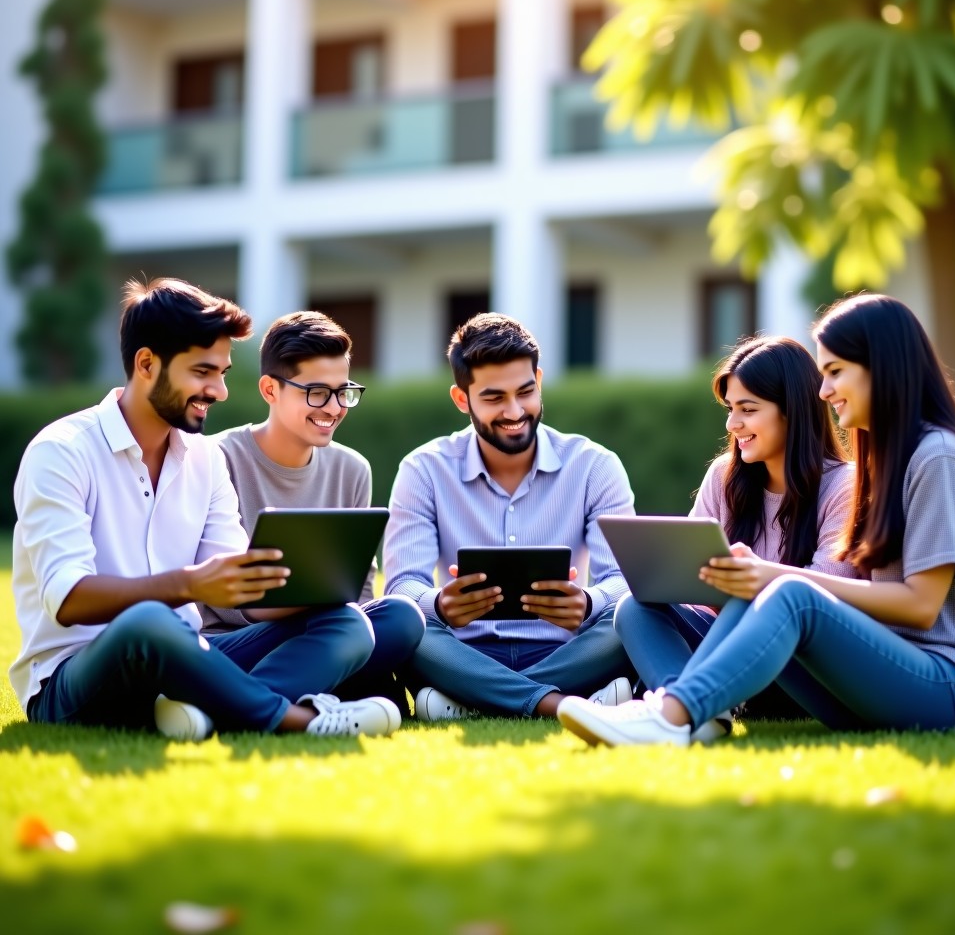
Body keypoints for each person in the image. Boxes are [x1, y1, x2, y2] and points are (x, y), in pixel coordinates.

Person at [558, 293, 955, 746]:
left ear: (883, 368)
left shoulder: (938, 458)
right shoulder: (890, 461)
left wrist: (774, 575)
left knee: (786, 591)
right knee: (720, 593)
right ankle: (685, 710)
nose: (824, 391)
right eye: (822, 374)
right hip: (882, 680)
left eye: (836, 372)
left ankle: (670, 715)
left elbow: (921, 604)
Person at [10, 278, 401, 741]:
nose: (219, 391)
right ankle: (300, 719)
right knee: (152, 619)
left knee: (350, 621)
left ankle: (204, 709)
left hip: (191, 660)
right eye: (202, 372)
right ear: (147, 364)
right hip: (74, 682)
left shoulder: (204, 458)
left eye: (222, 372)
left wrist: (317, 589)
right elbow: (68, 598)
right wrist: (190, 583)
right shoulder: (62, 451)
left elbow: (245, 591)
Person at [383, 312, 636, 719]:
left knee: (634, 618)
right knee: (405, 624)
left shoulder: (595, 466)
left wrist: (589, 602)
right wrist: (440, 605)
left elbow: (623, 581)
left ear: (539, 380)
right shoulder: (423, 470)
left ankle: (474, 701)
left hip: (567, 649)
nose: (515, 411)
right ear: (462, 399)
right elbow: (403, 585)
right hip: (462, 650)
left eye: (525, 391)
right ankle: (565, 704)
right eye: (494, 397)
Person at [612, 335, 856, 741]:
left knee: (759, 601)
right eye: (730, 409)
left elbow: (829, 595)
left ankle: (680, 708)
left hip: (800, 665)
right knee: (634, 607)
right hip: (727, 654)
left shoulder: (844, 486)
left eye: (748, 410)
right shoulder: (725, 477)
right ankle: (693, 710)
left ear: (792, 413)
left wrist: (743, 584)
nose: (732, 424)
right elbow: (687, 586)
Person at [200, 311, 424, 715]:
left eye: (344, 392)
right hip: (234, 642)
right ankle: (251, 702)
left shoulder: (352, 469)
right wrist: (301, 607)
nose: (334, 407)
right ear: (270, 389)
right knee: (345, 628)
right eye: (317, 392)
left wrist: (329, 607)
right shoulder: (214, 459)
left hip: (329, 633)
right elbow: (211, 591)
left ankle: (238, 702)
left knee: (403, 616)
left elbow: (358, 590)